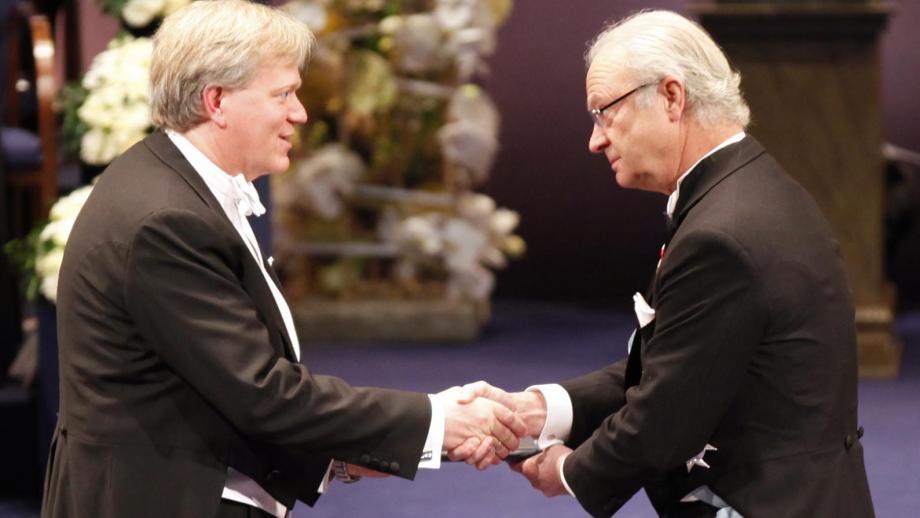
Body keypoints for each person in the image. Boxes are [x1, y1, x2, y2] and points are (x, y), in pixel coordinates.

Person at [40, 2, 525, 517]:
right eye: (284, 95)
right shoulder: (166, 220)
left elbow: (213, 386)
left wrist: (346, 456)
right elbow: (263, 394)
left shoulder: (175, 185)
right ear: (217, 101)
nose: (301, 113)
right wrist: (438, 419)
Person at [463, 9, 874, 518]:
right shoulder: (749, 188)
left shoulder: (720, 235)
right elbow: (684, 359)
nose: (595, 140)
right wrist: (545, 409)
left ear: (672, 97)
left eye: (603, 113)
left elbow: (664, 416)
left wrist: (569, 471)